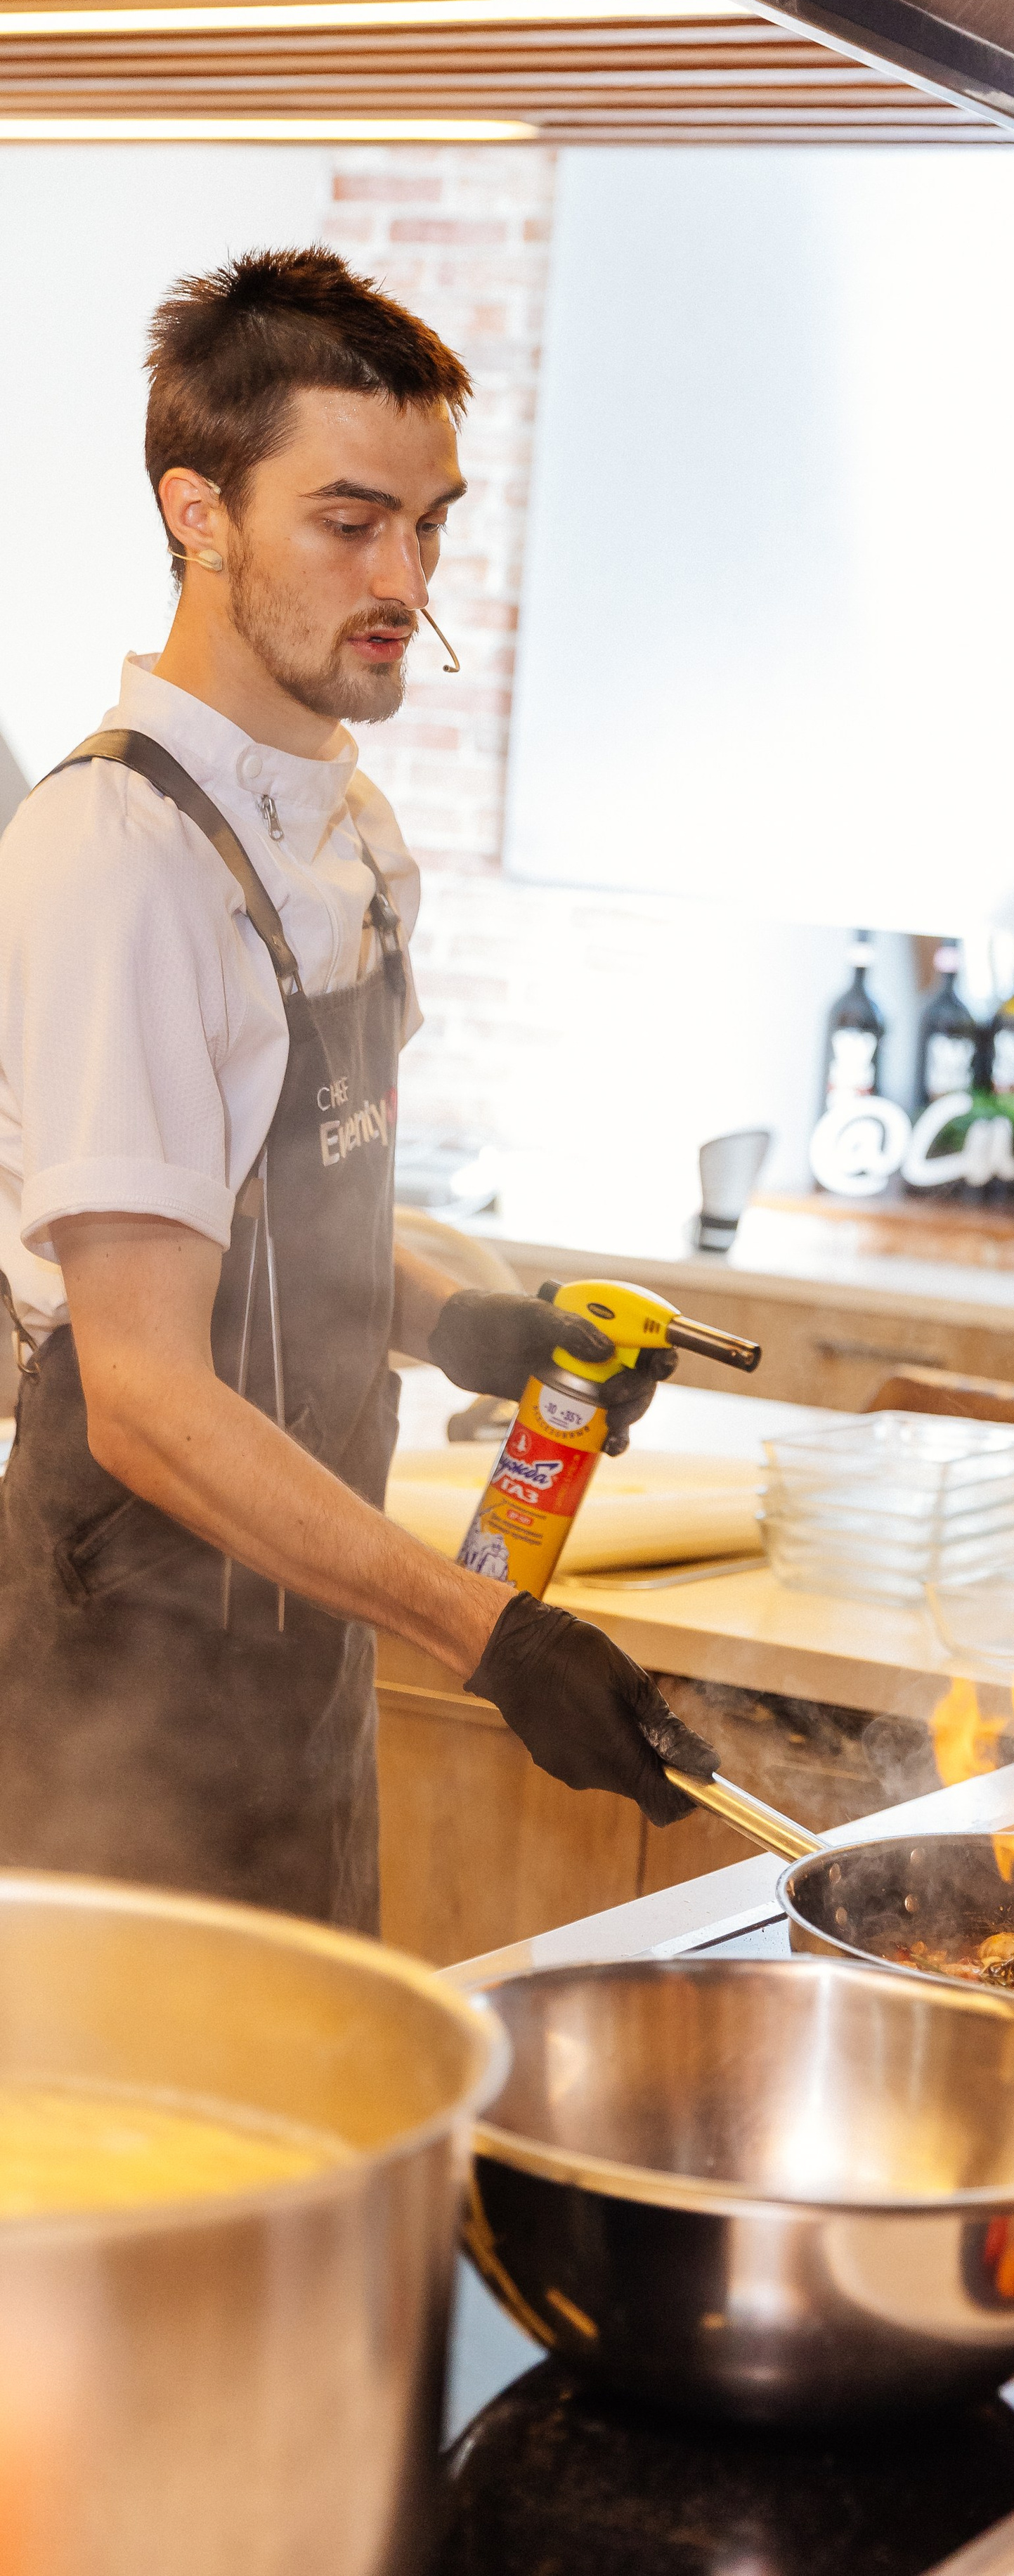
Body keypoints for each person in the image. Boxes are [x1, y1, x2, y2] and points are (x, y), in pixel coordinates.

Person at [0, 249, 715, 1932]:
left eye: (430, 519)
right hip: (122, 1690)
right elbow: (149, 1390)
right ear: (199, 511)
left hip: (301, 1654)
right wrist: (489, 1631)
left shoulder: (347, 831)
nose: (404, 573)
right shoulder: (118, 855)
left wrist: (465, 1321)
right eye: (346, 519)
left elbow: (261, 1218)